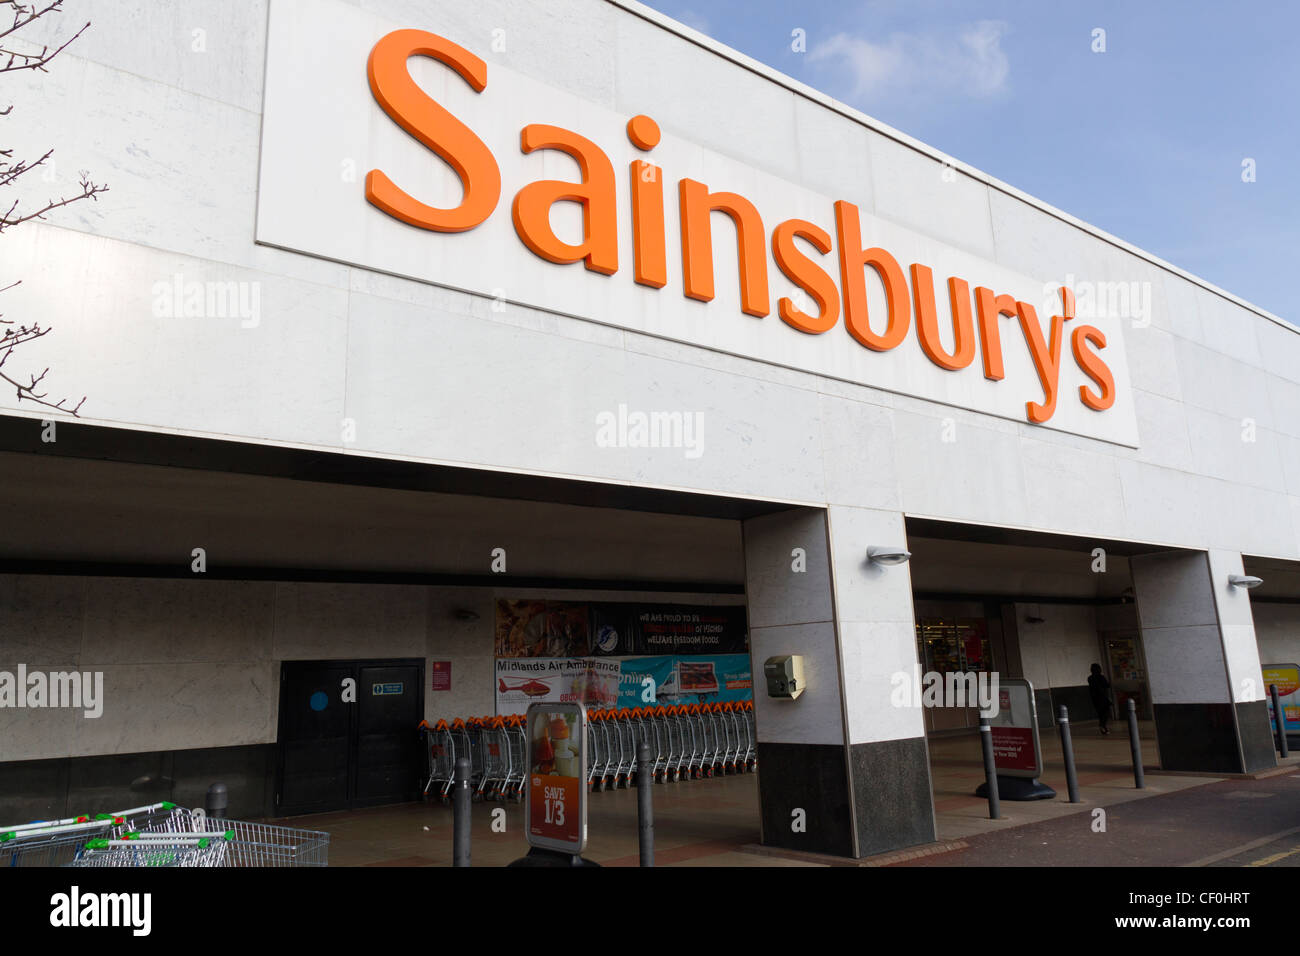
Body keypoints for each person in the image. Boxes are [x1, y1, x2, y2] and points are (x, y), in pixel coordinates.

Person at [1088, 663, 1113, 734]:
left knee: (1100, 713)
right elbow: (1107, 685)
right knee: (1106, 713)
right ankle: (1103, 726)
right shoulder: (1101, 677)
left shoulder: (1090, 678)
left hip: (1095, 698)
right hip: (1103, 697)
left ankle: (1103, 727)